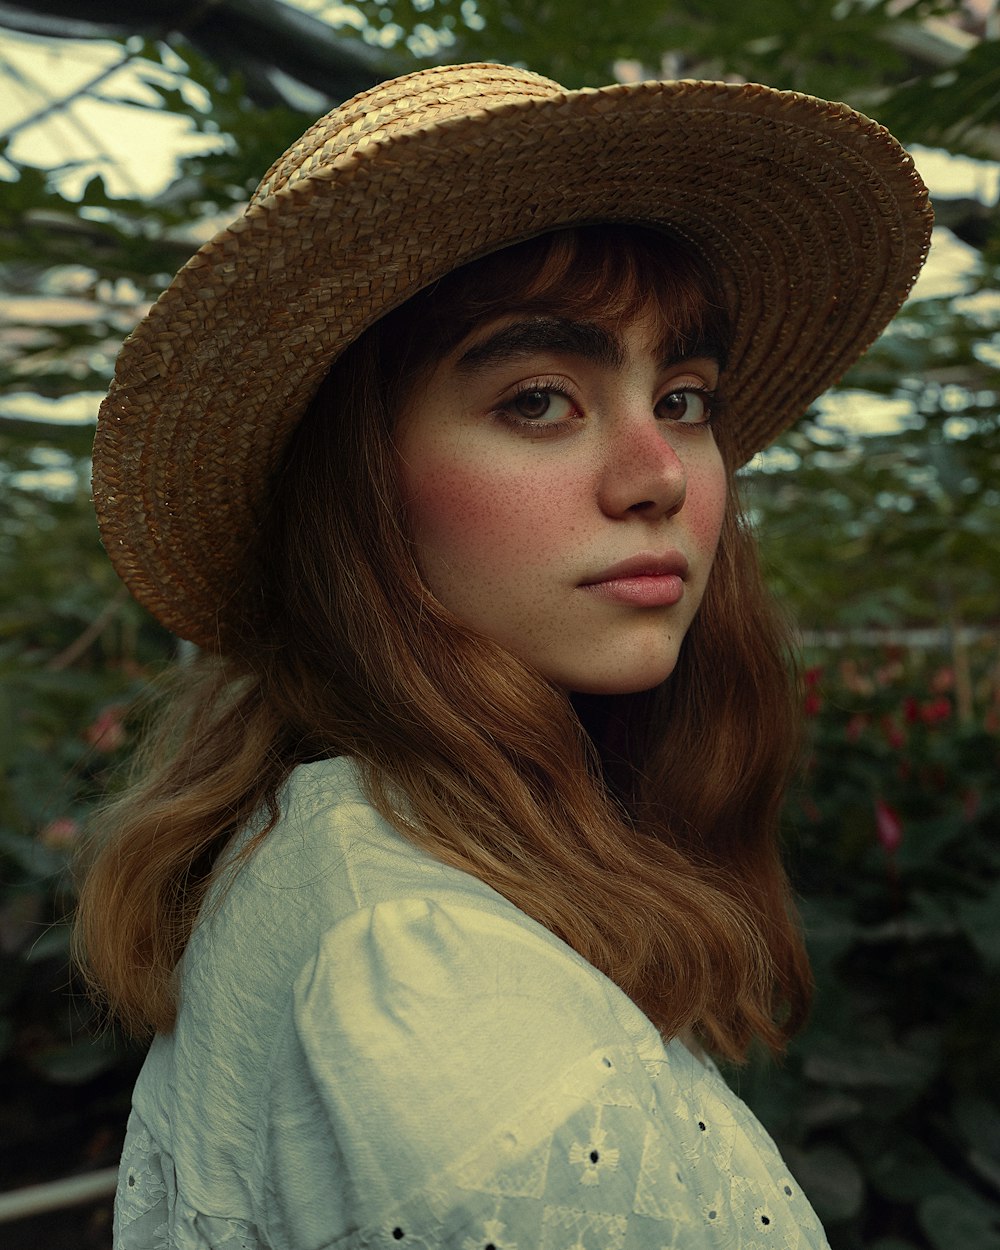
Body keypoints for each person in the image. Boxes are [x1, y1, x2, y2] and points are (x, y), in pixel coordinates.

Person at [75, 61, 932, 1248]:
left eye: (682, 397)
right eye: (538, 399)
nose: (658, 475)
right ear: (358, 487)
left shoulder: (379, 846)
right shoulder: (414, 959)